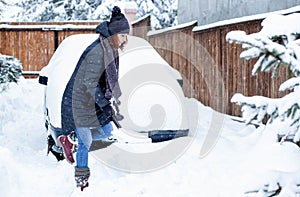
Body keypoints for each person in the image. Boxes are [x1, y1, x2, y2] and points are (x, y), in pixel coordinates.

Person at [56, 6, 130, 191]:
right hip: (79, 101)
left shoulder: (109, 48)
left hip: (92, 101)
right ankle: (82, 180)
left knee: (106, 131)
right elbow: (89, 83)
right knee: (85, 142)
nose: (125, 39)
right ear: (113, 34)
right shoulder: (98, 51)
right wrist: (104, 103)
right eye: (123, 35)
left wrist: (108, 101)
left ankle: (69, 140)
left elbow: (104, 80)